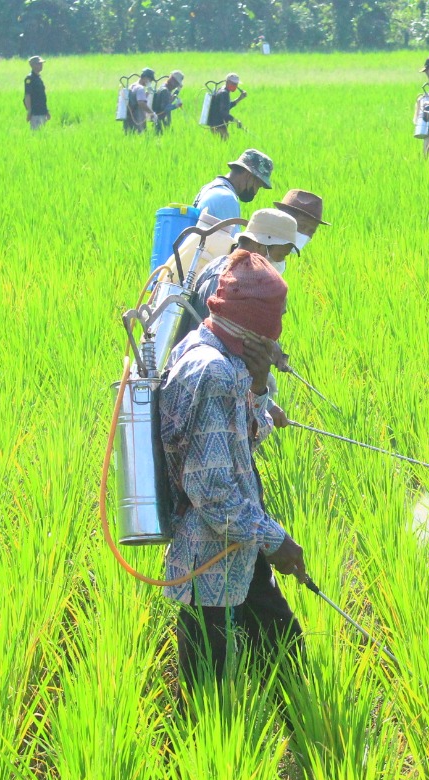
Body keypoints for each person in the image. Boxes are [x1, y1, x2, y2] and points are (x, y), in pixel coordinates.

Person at [160, 249, 309, 681]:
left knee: (285, 654)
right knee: (208, 692)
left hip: (237, 549)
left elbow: (237, 444)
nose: (276, 340)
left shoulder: (213, 347)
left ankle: (305, 730)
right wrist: (275, 539)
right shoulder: (214, 374)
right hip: (210, 562)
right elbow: (215, 493)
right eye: (271, 329)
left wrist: (259, 389)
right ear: (254, 328)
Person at [173, 208, 299, 349]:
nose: (281, 263)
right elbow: (221, 338)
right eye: (281, 255)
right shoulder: (229, 280)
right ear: (260, 246)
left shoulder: (227, 268)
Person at [193, 149, 275, 237]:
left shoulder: (210, 188)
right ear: (249, 175)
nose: (256, 192)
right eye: (258, 185)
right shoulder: (226, 198)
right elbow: (231, 245)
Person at [273, 188, 326, 253]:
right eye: (301, 226)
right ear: (282, 220)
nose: (305, 235)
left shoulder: (279, 258)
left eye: (311, 231)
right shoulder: (259, 253)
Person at [205, 73, 247, 140]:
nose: (235, 86)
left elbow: (226, 106)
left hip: (215, 124)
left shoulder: (222, 90)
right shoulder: (224, 93)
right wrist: (236, 120)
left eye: (236, 84)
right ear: (228, 82)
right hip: (218, 126)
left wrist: (240, 98)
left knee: (222, 145)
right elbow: (223, 112)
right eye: (233, 84)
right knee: (224, 145)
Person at [125, 68, 156, 134]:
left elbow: (138, 99)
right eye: (150, 80)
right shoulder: (140, 88)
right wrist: (152, 113)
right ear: (146, 78)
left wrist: (147, 92)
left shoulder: (132, 86)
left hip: (129, 119)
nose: (150, 82)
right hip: (137, 119)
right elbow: (141, 103)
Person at [24, 56, 49, 130]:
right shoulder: (29, 79)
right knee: (36, 134)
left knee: (42, 134)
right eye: (38, 64)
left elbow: (42, 97)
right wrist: (29, 111)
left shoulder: (38, 78)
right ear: (32, 65)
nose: (41, 65)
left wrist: (46, 111)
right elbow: (27, 95)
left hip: (42, 111)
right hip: (35, 113)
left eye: (41, 64)